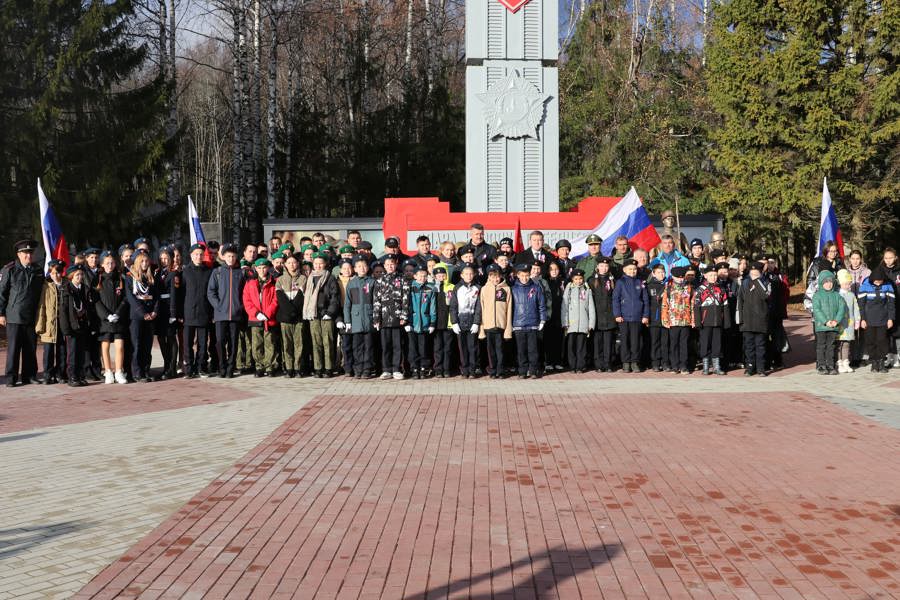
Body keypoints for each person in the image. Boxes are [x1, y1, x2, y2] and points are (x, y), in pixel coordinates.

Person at [0, 240, 44, 386]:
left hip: (31, 315)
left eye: (30, 253)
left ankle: (29, 375)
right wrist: (1, 314)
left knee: (30, 348)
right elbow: (2, 293)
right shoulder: (10, 269)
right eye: (25, 253)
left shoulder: (38, 270)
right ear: (19, 254)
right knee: (13, 349)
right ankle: (11, 378)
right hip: (14, 315)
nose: (28, 256)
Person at [207, 244, 245, 378]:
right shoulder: (217, 272)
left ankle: (230, 368)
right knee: (220, 341)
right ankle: (222, 367)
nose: (231, 258)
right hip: (220, 315)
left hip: (236, 314)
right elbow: (211, 292)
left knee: (234, 343)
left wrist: (240, 306)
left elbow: (244, 293)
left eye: (233, 256)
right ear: (223, 257)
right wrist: (218, 306)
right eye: (228, 256)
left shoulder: (241, 272)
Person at [303, 253, 341, 378]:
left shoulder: (330, 278)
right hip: (313, 315)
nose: (318, 266)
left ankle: (329, 368)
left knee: (328, 342)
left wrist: (330, 312)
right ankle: (318, 367)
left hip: (326, 315)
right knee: (316, 342)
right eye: (316, 263)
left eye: (321, 263)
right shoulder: (310, 278)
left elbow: (335, 297)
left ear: (325, 264)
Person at [93, 252, 129, 384]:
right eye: (107, 263)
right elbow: (96, 300)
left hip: (118, 318)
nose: (110, 265)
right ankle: (108, 371)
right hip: (105, 320)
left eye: (112, 262)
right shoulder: (98, 278)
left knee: (119, 346)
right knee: (105, 345)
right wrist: (106, 315)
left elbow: (125, 298)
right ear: (102, 264)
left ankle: (119, 371)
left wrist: (118, 313)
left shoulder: (120, 278)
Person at [372, 255, 409, 380]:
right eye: (387, 264)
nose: (390, 266)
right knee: (386, 345)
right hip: (384, 317)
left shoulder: (402, 279)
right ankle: (386, 369)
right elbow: (376, 300)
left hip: (397, 317)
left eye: (392, 264)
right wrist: (376, 318)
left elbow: (405, 298)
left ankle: (397, 368)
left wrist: (404, 315)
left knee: (397, 345)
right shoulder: (379, 280)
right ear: (384, 266)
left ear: (396, 264)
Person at [125, 250, 159, 382]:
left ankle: (146, 370)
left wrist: (154, 311)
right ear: (137, 262)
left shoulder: (150, 277)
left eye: (146, 261)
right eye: (142, 261)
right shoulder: (129, 277)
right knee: (137, 345)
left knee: (147, 345)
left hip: (150, 316)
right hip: (137, 316)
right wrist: (143, 313)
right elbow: (131, 298)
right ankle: (137, 372)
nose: (145, 264)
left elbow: (156, 297)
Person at [613, 258, 650, 373]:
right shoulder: (620, 282)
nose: (632, 271)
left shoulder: (640, 282)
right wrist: (617, 314)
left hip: (637, 317)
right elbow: (615, 299)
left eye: (634, 269)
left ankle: (635, 362)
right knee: (625, 340)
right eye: (630, 269)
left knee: (636, 341)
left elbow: (645, 300)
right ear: (624, 270)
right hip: (624, 317)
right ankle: (625, 362)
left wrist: (645, 315)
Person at [244, 258, 279, 377]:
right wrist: (256, 313)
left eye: (264, 267)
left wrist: (268, 313)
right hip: (255, 318)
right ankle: (259, 366)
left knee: (270, 343)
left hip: (269, 318)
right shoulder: (250, 283)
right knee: (257, 343)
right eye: (259, 268)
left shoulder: (274, 282)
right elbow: (247, 300)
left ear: (268, 268)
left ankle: (270, 366)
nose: (262, 270)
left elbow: (276, 300)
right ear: (255, 269)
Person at [693, 265, 731, 376]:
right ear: (705, 276)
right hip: (705, 322)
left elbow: (725, 305)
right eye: (711, 275)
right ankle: (705, 366)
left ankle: (716, 366)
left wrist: (726, 321)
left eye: (715, 275)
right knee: (705, 343)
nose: (713, 277)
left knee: (717, 344)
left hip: (718, 321)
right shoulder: (700, 289)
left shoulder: (721, 289)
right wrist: (698, 322)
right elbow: (696, 307)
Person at [511, 262, 546, 378]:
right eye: (522, 275)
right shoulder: (513, 289)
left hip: (532, 324)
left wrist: (542, 320)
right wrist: (510, 323)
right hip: (518, 325)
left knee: (533, 350)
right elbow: (510, 307)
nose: (524, 278)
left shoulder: (536, 288)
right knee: (521, 351)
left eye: (527, 275)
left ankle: (533, 371)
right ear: (517, 275)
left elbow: (541, 305)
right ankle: (522, 371)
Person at [182, 243, 213, 378]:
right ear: (191, 255)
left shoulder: (208, 271)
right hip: (188, 312)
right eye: (196, 254)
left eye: (201, 254)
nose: (198, 256)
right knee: (188, 343)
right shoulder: (185, 271)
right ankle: (189, 368)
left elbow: (211, 292)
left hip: (204, 311)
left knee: (202, 343)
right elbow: (181, 293)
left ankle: (201, 367)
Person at [35, 259, 67, 384]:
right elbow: (41, 306)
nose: (56, 275)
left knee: (62, 350)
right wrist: (40, 325)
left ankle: (60, 373)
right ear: (49, 273)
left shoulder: (66, 285)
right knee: (48, 351)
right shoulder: (46, 286)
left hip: (63, 323)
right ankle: (48, 374)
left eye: (58, 272)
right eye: (53, 273)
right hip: (49, 324)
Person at [343, 256, 376, 378]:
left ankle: (367, 369)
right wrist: (348, 321)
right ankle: (358, 369)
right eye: (359, 266)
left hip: (369, 319)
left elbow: (376, 302)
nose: (362, 268)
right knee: (357, 347)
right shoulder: (351, 284)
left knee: (369, 346)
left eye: (364, 266)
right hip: (355, 321)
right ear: (355, 269)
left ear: (368, 268)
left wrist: (376, 318)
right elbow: (347, 304)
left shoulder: (372, 282)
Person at [59, 265, 92, 387]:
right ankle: (72, 376)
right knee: (72, 353)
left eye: (81, 275)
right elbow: (63, 311)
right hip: (72, 326)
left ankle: (80, 375)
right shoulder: (66, 289)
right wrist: (66, 329)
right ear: (71, 276)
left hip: (82, 325)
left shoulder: (84, 288)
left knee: (81, 352)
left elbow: (88, 306)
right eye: (77, 275)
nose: (80, 277)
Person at [858, 266, 895, 373]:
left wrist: (890, 318)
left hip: (883, 319)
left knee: (882, 341)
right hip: (868, 320)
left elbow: (891, 304)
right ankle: (874, 362)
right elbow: (861, 304)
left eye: (880, 281)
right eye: (876, 281)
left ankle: (881, 362)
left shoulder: (888, 285)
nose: (878, 283)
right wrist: (862, 319)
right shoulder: (865, 285)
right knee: (871, 341)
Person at [276, 253, 307, 378]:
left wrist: (294, 311)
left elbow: (301, 297)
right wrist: (289, 311)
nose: (292, 265)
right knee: (287, 344)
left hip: (298, 317)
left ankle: (298, 368)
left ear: (298, 264)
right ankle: (289, 368)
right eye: (289, 263)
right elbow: (280, 298)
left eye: (294, 262)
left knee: (299, 344)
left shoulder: (303, 278)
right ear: (285, 265)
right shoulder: (280, 280)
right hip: (285, 318)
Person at [737, 262, 770, 376]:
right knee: (749, 346)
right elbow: (740, 301)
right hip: (747, 321)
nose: (753, 276)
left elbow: (766, 295)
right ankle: (750, 367)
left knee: (760, 346)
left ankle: (761, 368)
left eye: (756, 274)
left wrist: (757, 281)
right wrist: (739, 318)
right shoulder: (745, 283)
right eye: (752, 274)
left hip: (760, 320)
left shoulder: (765, 282)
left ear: (761, 274)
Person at [479, 264, 511, 378]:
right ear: (488, 277)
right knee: (490, 351)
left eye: (497, 276)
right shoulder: (484, 289)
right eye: (492, 276)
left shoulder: (506, 289)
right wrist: (481, 329)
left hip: (501, 326)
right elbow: (481, 309)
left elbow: (509, 309)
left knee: (500, 350)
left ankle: (500, 370)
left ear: (501, 276)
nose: (495, 279)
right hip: (488, 326)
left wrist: (508, 330)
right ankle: (492, 370)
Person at [450, 264, 482, 379]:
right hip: (460, 319)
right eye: (466, 274)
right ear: (461, 275)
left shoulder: (477, 288)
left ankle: (472, 370)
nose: (469, 276)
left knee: (473, 346)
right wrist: (454, 322)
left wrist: (476, 322)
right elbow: (453, 306)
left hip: (472, 319)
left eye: (471, 274)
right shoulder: (457, 288)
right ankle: (465, 369)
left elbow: (479, 306)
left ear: (474, 275)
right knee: (462, 347)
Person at [661, 266, 694, 374]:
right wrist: (665, 319)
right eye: (677, 278)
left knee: (684, 344)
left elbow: (692, 304)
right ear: (673, 277)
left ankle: (684, 365)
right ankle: (675, 365)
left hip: (685, 320)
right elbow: (664, 304)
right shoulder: (669, 287)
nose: (680, 279)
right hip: (673, 320)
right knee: (673, 344)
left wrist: (693, 319)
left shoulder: (689, 287)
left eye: (682, 277)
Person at [812, 270, 845, 375]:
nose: (828, 284)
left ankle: (830, 365)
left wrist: (836, 320)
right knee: (821, 346)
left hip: (833, 326)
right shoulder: (817, 295)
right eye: (825, 282)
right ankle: (821, 365)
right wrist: (826, 321)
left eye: (830, 281)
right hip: (821, 326)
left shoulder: (837, 295)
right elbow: (816, 310)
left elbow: (841, 308)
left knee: (831, 346)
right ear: (821, 283)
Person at [561, 269, 595, 373]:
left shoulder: (587, 290)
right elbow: (564, 307)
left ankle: (580, 366)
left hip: (583, 323)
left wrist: (591, 323)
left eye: (580, 279)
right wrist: (565, 322)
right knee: (571, 347)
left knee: (582, 347)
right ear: (572, 279)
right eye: (576, 279)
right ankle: (572, 366)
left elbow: (591, 307)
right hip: (571, 324)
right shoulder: (569, 289)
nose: (578, 281)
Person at [406, 265, 437, 378]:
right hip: (412, 323)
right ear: (415, 276)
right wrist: (407, 322)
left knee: (423, 347)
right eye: (420, 275)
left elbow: (433, 307)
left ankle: (424, 368)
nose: (422, 278)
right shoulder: (409, 288)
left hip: (425, 323)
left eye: (425, 275)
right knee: (413, 348)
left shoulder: (430, 289)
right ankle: (414, 368)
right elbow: (406, 306)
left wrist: (432, 322)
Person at [588, 257, 617, 372]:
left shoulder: (613, 280)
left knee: (609, 342)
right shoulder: (591, 281)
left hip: (609, 316)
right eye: (601, 266)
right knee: (598, 342)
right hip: (597, 316)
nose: (604, 268)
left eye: (606, 266)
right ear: (597, 267)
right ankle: (599, 364)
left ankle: (608, 363)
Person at [835, 269, 861, 373]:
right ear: (841, 283)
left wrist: (857, 320)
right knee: (839, 343)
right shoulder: (837, 295)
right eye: (846, 284)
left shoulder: (851, 295)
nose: (848, 285)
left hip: (849, 323)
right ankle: (839, 363)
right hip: (840, 323)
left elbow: (856, 308)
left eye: (849, 283)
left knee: (846, 343)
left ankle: (846, 362)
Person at [432, 266, 455, 378]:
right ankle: (438, 369)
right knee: (437, 347)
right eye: (438, 276)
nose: (441, 277)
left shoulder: (451, 287)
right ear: (435, 276)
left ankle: (447, 369)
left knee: (448, 347)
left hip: (448, 322)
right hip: (436, 323)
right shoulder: (432, 288)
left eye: (443, 275)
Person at [879, 248, 900, 368]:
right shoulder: (880, 270)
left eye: (890, 257)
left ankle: (897, 356)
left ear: (895, 257)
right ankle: (888, 356)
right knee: (886, 332)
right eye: (886, 258)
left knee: (897, 332)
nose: (888, 260)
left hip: (898, 305)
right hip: (884, 306)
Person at [544, 261, 566, 370]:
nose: (554, 271)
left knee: (559, 339)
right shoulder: (546, 282)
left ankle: (558, 361)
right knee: (548, 339)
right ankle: (549, 361)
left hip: (560, 314)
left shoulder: (563, 282)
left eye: (556, 269)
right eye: (551, 269)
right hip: (549, 315)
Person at [646, 263, 668, 371]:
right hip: (654, 318)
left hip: (665, 319)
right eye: (659, 272)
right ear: (653, 274)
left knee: (665, 342)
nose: (661, 274)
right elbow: (647, 302)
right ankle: (655, 362)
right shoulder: (649, 286)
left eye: (663, 272)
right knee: (655, 342)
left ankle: (665, 362)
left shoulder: (668, 285)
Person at [335, 259, 354, 375]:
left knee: (355, 342)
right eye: (344, 268)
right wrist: (338, 318)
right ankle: (345, 366)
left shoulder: (356, 280)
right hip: (341, 312)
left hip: (354, 312)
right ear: (340, 270)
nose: (347, 270)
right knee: (344, 342)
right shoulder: (336, 282)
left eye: (349, 268)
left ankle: (353, 366)